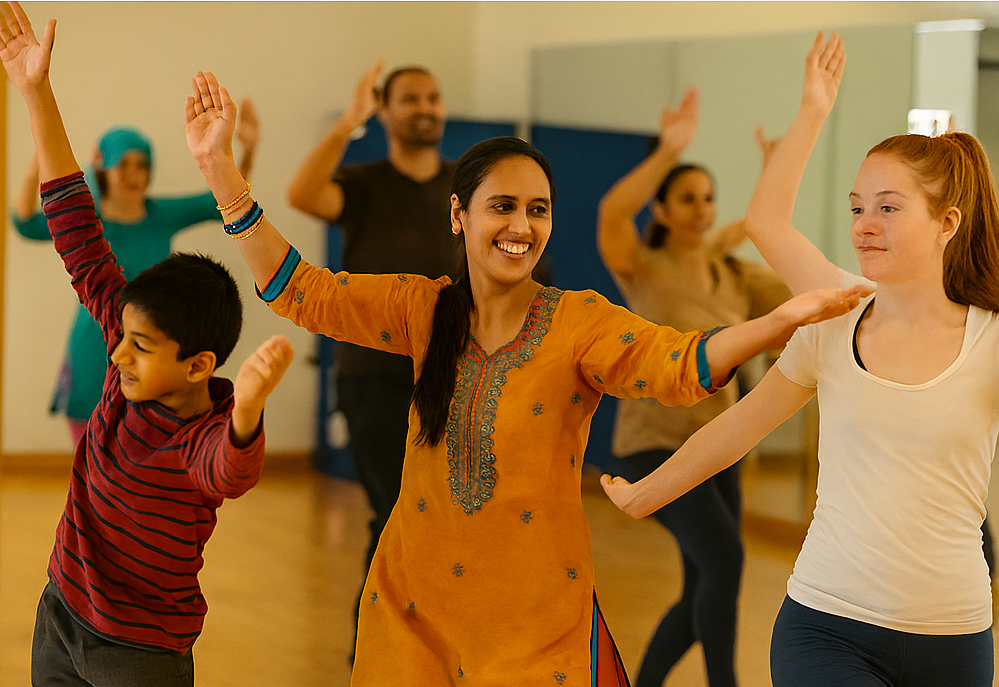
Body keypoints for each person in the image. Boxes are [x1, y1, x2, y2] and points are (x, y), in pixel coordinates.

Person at [182, 67, 868, 684]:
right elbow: (301, 290)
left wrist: (781, 321)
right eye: (503, 206)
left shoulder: (578, 321)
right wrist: (219, 169)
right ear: (459, 215)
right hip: (413, 608)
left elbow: (678, 363)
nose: (522, 225)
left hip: (536, 621)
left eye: (538, 209)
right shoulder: (422, 309)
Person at [602, 31, 998, 687]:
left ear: (947, 223)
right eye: (857, 207)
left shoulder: (989, 342)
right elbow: (739, 424)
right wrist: (649, 492)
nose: (864, 224)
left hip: (955, 636)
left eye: (889, 208)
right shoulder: (836, 312)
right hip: (826, 624)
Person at [0, 5, 293, 685]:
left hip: (137, 651)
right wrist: (36, 92)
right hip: (60, 609)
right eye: (122, 339)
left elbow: (230, 471)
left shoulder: (198, 439)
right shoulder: (118, 349)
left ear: (198, 366)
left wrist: (247, 410)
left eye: (141, 347)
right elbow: (71, 218)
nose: (120, 356)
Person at [597, 88, 790, 687]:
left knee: (709, 579)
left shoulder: (733, 273)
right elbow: (610, 214)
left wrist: (776, 171)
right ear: (660, 210)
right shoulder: (642, 267)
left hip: (719, 446)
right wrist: (668, 151)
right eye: (686, 198)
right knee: (725, 560)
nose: (701, 208)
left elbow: (797, 294)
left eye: (707, 198)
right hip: (655, 445)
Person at [285, 60, 458, 640]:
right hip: (372, 377)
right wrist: (346, 125)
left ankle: (432, 649)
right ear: (384, 112)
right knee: (395, 513)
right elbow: (302, 194)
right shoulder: (362, 184)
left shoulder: (465, 186)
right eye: (410, 99)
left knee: (446, 519)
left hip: (452, 373)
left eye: (432, 97)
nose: (425, 108)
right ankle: (375, 651)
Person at [11, 75, 259, 450]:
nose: (132, 174)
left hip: (153, 349)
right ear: (103, 168)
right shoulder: (86, 218)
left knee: (144, 453)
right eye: (122, 164)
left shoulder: (163, 214)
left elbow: (223, 200)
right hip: (93, 348)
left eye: (141, 164)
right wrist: (37, 164)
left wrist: (247, 149)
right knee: (91, 455)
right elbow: (25, 223)